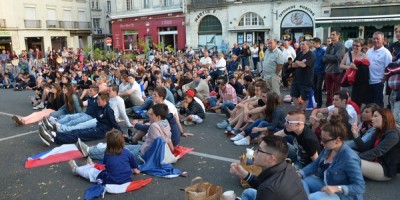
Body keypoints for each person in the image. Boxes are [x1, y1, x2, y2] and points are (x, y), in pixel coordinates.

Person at [298, 115, 365, 200]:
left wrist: (337, 188)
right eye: (321, 138)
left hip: (343, 196)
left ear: (337, 140)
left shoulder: (350, 158)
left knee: (314, 197)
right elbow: (315, 164)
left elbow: (360, 187)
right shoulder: (328, 148)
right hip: (327, 185)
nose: (321, 142)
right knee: (299, 181)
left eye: (325, 140)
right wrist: (300, 173)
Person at [230, 135, 307, 200]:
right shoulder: (287, 167)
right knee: (248, 192)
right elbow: (263, 183)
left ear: (271, 158)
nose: (255, 152)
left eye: (259, 150)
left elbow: (266, 188)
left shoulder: (269, 190)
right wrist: (244, 174)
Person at [39, 91, 122, 146]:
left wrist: (121, 133)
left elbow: (114, 123)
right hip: (97, 128)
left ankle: (54, 139)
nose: (97, 101)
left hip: (100, 132)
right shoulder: (101, 108)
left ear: (104, 100)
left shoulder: (108, 110)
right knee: (76, 131)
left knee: (78, 135)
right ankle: (53, 134)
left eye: (99, 99)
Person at [68, 130, 140, 185]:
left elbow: (105, 166)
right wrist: (135, 171)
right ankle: (91, 165)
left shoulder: (107, 154)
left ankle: (76, 170)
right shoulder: (127, 152)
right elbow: (135, 168)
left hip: (111, 181)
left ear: (108, 143)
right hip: (126, 179)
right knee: (105, 168)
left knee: (93, 173)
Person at [354, 108, 400, 181]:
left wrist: (353, 157)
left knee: (351, 161)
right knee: (347, 152)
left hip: (384, 169)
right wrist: (355, 135)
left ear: (385, 119)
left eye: (375, 116)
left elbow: (376, 152)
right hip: (374, 162)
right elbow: (364, 148)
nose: (372, 119)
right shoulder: (378, 131)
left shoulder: (392, 135)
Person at [366, 31, 392, 107]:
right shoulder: (369, 51)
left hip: (379, 83)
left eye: (378, 39)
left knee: (378, 104)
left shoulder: (386, 53)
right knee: (369, 104)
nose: (375, 40)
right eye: (374, 39)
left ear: (383, 40)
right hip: (368, 82)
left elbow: (388, 69)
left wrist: (382, 81)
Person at [290, 40, 316, 111]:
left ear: (308, 46)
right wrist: (300, 63)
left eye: (303, 44)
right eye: (301, 44)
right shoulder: (299, 54)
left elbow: (304, 65)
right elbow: (293, 64)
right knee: (293, 95)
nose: (301, 45)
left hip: (306, 79)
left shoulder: (311, 55)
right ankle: (298, 108)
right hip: (297, 78)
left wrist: (299, 62)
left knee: (305, 97)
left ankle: (303, 111)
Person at [323, 31, 345, 107]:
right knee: (328, 91)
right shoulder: (330, 45)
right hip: (328, 70)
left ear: (338, 36)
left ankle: (337, 106)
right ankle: (329, 105)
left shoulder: (341, 46)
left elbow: (337, 57)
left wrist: (328, 56)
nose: (332, 36)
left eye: (333, 35)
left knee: (337, 91)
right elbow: (324, 57)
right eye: (331, 35)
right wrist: (329, 56)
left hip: (336, 71)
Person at [312, 37, 326, 108]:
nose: (312, 44)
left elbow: (324, 61)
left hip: (320, 72)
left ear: (318, 43)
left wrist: (323, 71)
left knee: (318, 87)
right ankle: (316, 101)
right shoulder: (313, 51)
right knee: (314, 87)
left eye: (313, 43)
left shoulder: (323, 51)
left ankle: (319, 103)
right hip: (314, 71)